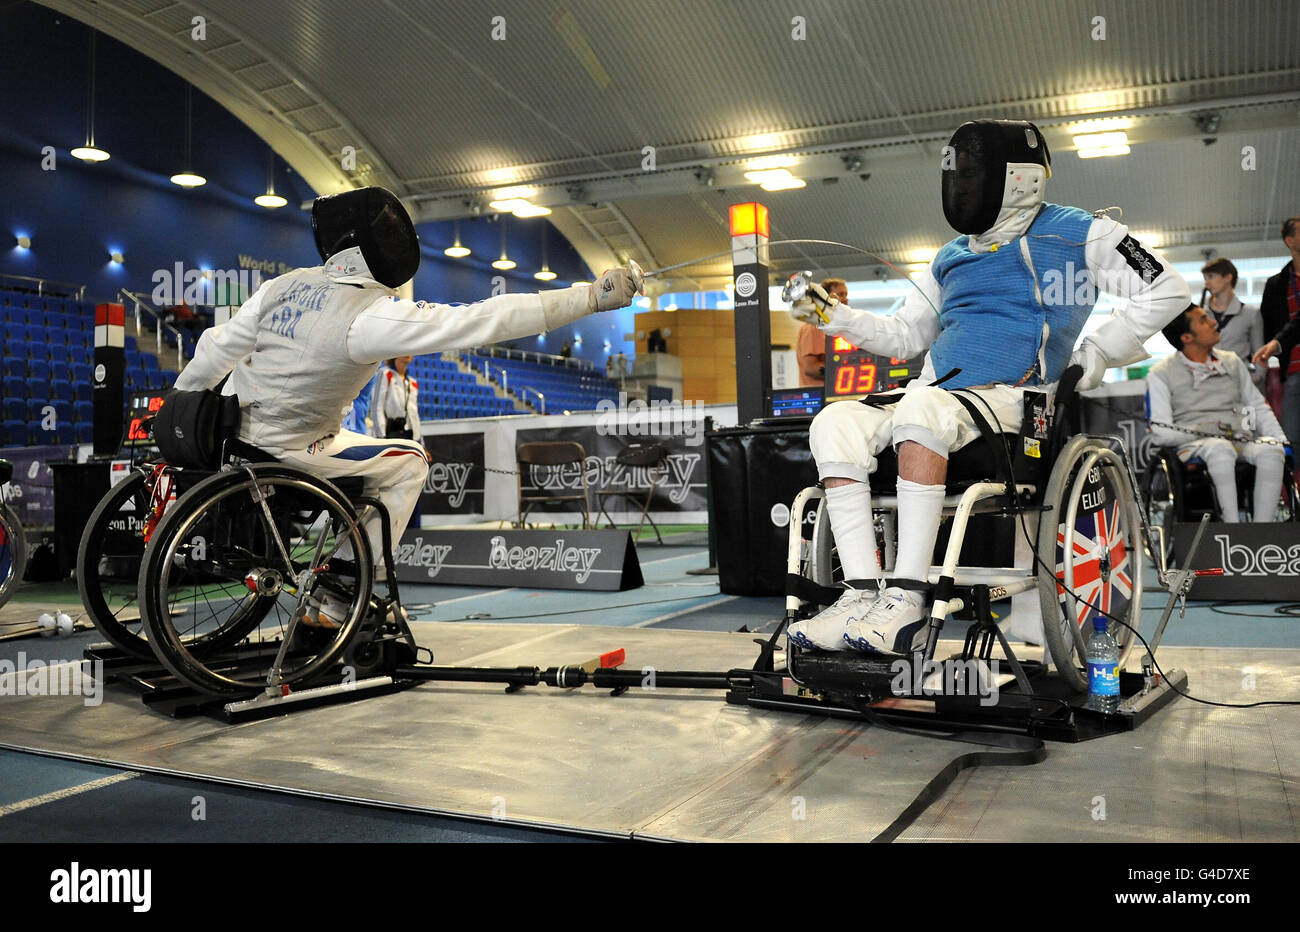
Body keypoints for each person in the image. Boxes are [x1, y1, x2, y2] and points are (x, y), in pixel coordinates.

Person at [786, 119, 1189, 655]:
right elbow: (906, 335)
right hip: (939, 398)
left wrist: (1095, 355)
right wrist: (827, 314)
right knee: (834, 421)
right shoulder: (950, 255)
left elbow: (1167, 287)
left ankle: (907, 601)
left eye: (973, 177)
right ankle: (862, 594)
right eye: (959, 178)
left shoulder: (1083, 233)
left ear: (1018, 179)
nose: (962, 190)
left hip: (1014, 404)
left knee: (923, 409)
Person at [173, 186, 639, 622]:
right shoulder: (371, 316)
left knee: (374, 450)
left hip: (231, 440)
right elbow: (483, 319)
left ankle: (336, 573)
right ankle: (338, 593)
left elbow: (215, 347)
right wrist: (590, 297)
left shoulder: (284, 285)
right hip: (291, 450)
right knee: (409, 461)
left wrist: (181, 408)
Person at [1149, 305, 1287, 522]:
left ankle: (1262, 532)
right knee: (1220, 449)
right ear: (1186, 337)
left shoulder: (1232, 361)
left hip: (1240, 438)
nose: (1213, 322)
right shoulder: (1160, 373)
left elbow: (1258, 405)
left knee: (1273, 451)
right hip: (1195, 446)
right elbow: (1160, 432)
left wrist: (1280, 440)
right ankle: (1231, 530)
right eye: (1203, 320)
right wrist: (1201, 432)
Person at [1252, 216, 1300, 447]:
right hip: (1292, 371)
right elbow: (1268, 327)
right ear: (1289, 240)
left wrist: (1276, 343)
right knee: (1291, 438)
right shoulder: (1277, 285)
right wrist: (1272, 348)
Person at [1200, 258, 1264, 387]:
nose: (1207, 284)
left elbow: (1260, 352)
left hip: (1241, 384)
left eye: (1211, 277)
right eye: (1205, 278)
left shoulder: (1251, 313)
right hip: (1208, 385)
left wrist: (1257, 378)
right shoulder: (1199, 314)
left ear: (1228, 277)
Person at [795, 278, 845, 388]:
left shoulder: (835, 327)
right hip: (819, 399)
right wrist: (843, 373)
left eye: (846, 295)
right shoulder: (814, 327)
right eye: (841, 295)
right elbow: (810, 367)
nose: (845, 299)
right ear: (826, 297)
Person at [371, 356, 420, 439]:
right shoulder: (385, 373)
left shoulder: (412, 382)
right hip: (389, 432)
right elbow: (377, 405)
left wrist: (418, 438)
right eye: (404, 350)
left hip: (409, 434)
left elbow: (414, 413)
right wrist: (381, 435)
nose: (407, 354)